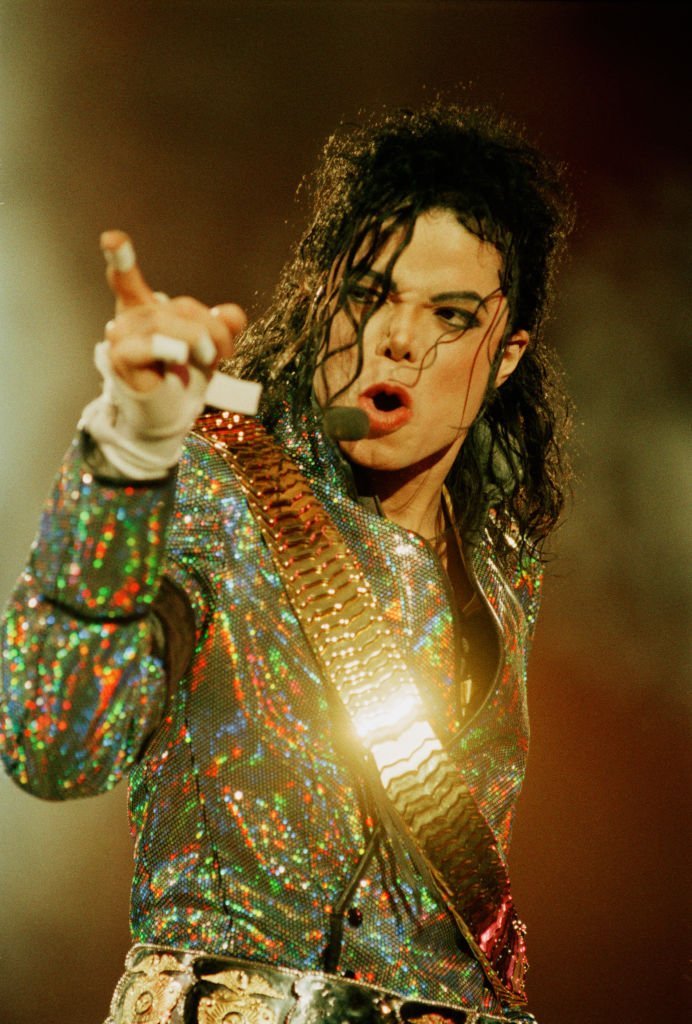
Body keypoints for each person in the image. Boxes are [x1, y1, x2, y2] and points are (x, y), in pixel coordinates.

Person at [0, 104, 572, 1023]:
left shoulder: (506, 574)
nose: (398, 339)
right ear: (322, 299)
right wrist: (128, 453)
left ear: (504, 358)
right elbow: (53, 744)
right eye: (370, 294)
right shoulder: (220, 491)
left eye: (451, 315)